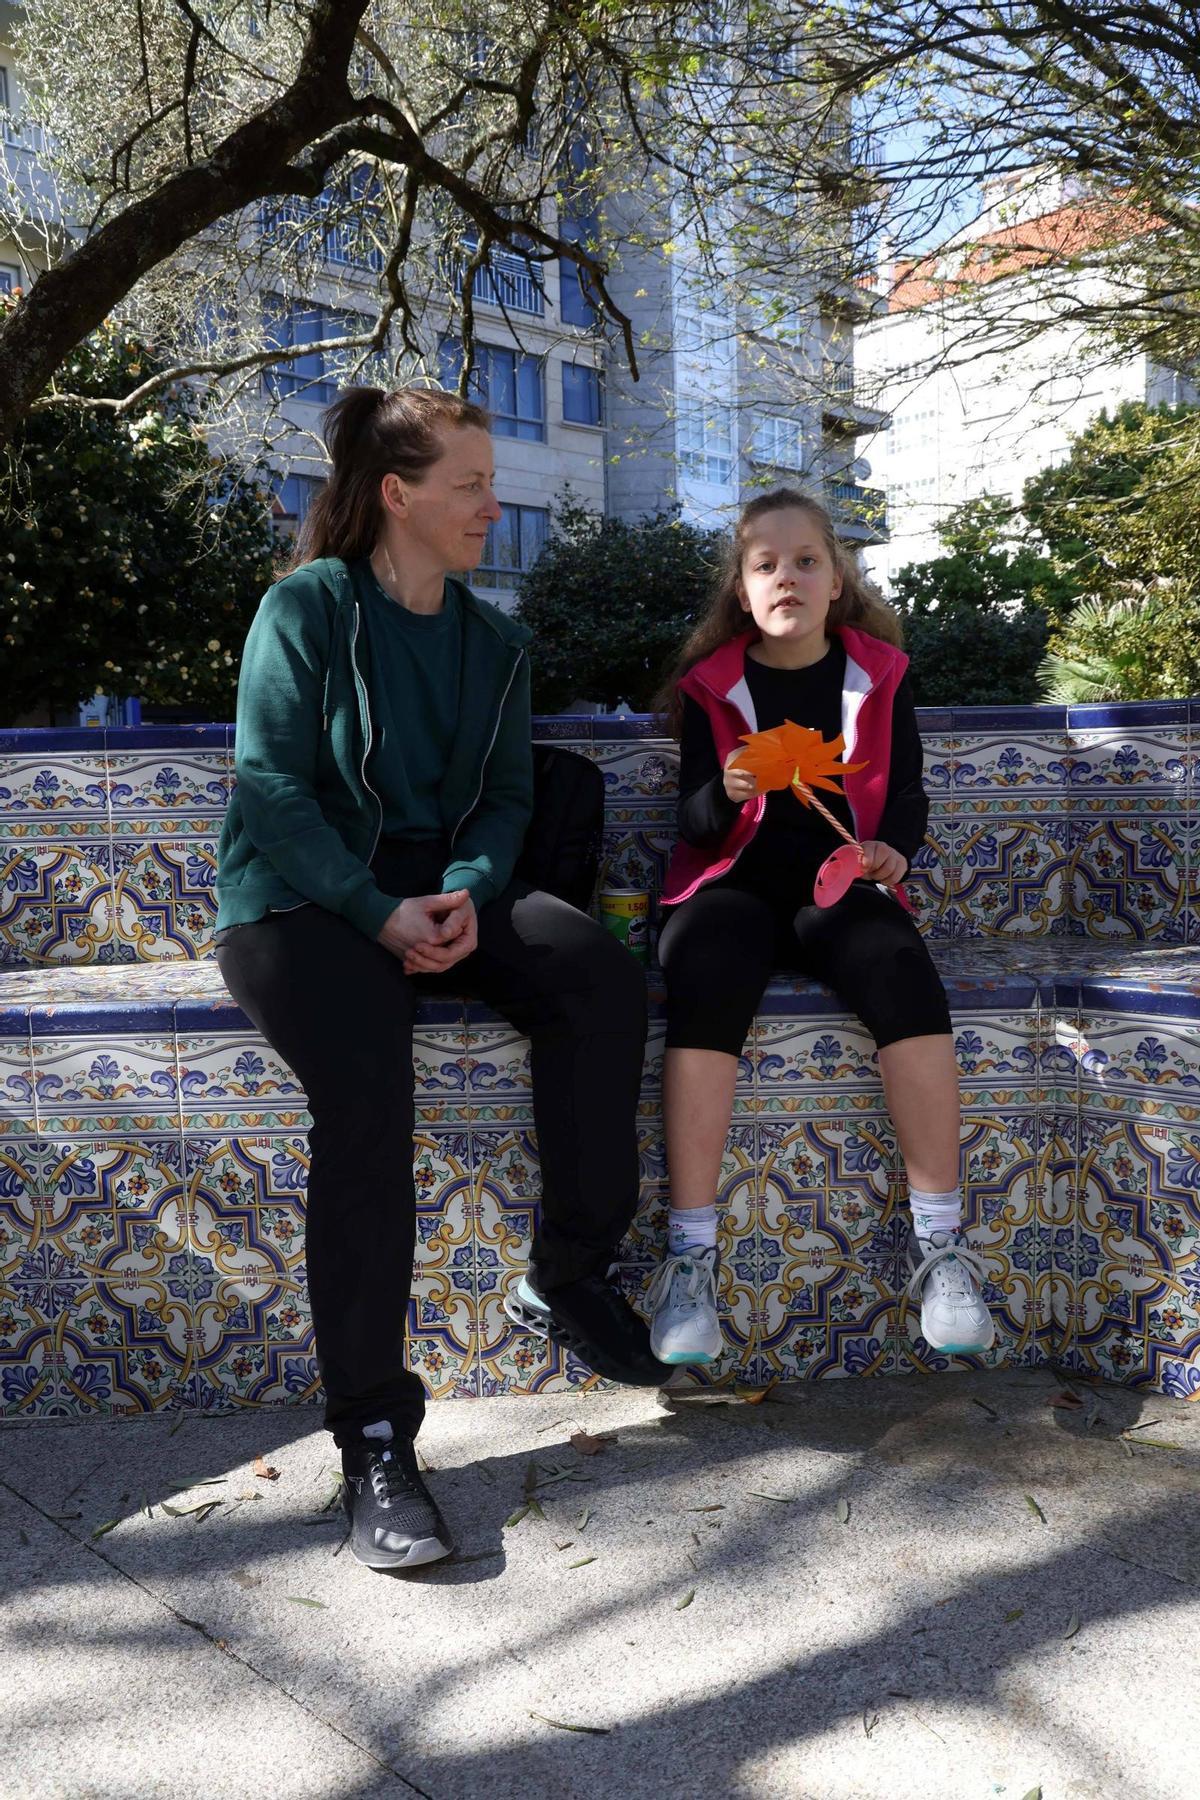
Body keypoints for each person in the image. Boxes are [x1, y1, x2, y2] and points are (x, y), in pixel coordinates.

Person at [215, 386, 663, 1573]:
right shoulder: (305, 608)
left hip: (437, 888)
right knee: (366, 1096)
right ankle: (371, 1434)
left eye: (491, 480)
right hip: (301, 898)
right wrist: (374, 909)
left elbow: (508, 797)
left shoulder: (494, 641)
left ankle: (567, 1271)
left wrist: (464, 888)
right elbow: (272, 786)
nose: (492, 503)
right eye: (469, 484)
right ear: (398, 494)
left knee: (599, 982)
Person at [644, 487, 994, 1367]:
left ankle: (944, 1249)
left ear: (837, 580)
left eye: (806, 561)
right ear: (742, 589)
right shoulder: (715, 684)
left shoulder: (879, 674)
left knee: (899, 969)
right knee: (705, 968)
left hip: (840, 883)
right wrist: (718, 793)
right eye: (765, 565)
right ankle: (690, 1259)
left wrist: (892, 852)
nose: (787, 577)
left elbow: (906, 794)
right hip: (734, 887)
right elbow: (689, 826)